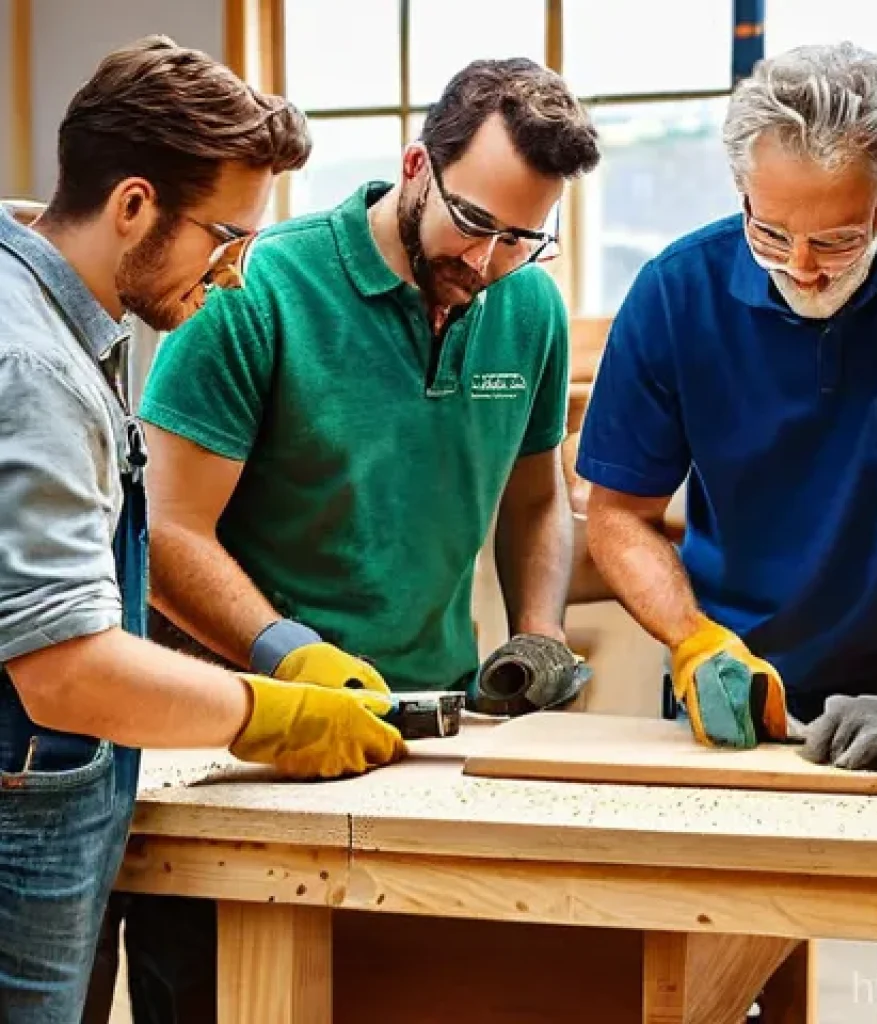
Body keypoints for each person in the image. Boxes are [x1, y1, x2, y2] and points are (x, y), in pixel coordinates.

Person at [110, 58, 600, 1020]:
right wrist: (293, 660)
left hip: (432, 752)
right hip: (242, 753)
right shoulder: (255, 289)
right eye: (473, 223)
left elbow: (537, 501)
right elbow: (164, 535)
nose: (490, 262)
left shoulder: (528, 307)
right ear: (417, 164)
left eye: (522, 237)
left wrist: (539, 631)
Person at [577, 41, 877, 1024]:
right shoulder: (676, 290)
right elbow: (617, 516)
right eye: (770, 233)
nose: (803, 267)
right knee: (710, 991)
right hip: (730, 697)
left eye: (834, 239)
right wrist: (693, 643)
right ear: (740, 188)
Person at [0, 37, 406, 1024]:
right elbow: (64, 668)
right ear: (133, 205)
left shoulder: (52, 307)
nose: (234, 278)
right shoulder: (39, 370)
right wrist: (270, 711)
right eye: (226, 240)